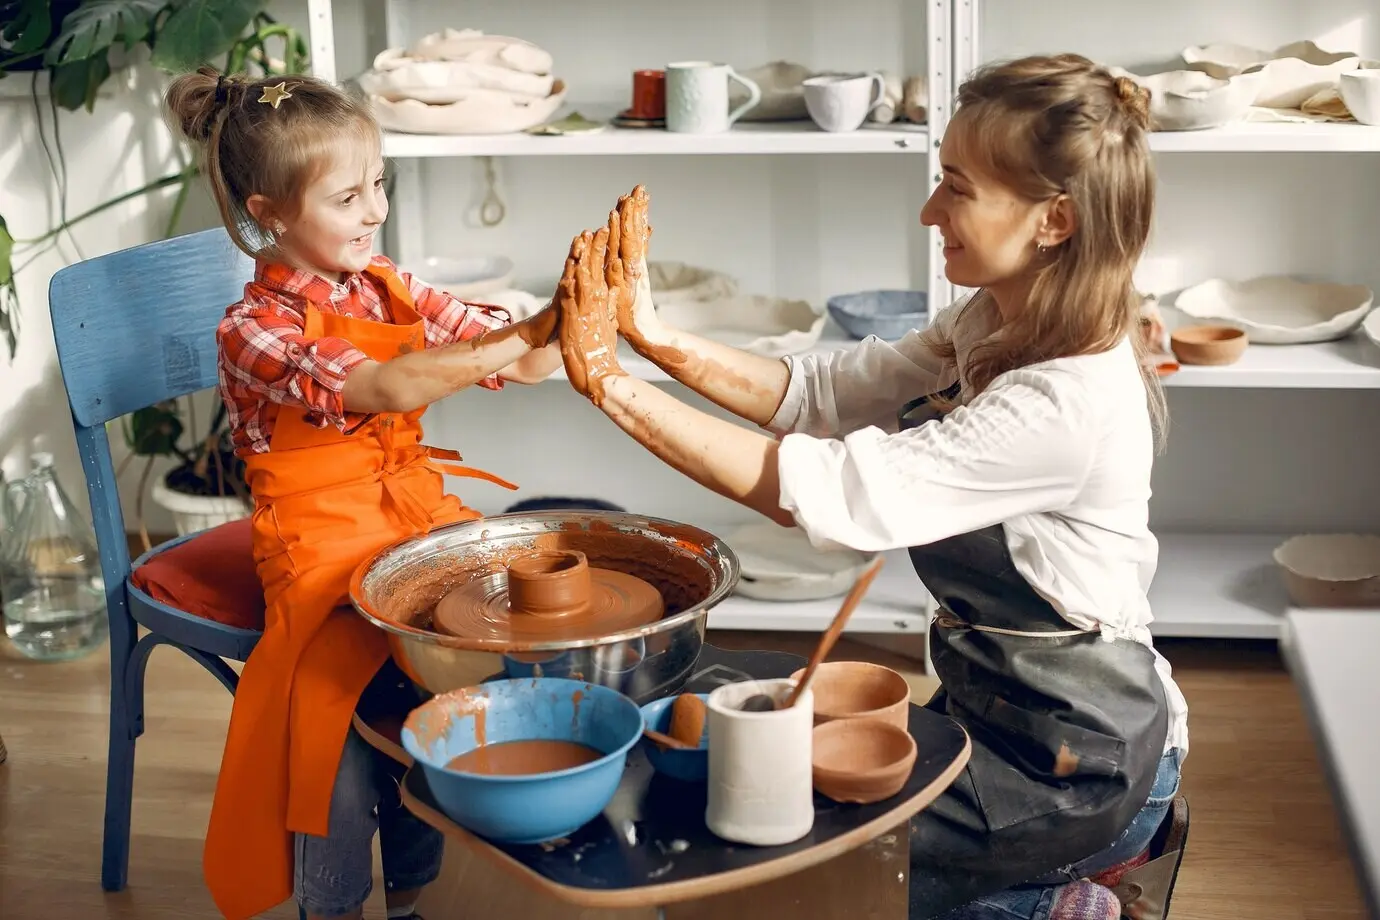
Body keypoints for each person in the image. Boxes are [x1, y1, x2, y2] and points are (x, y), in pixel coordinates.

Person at [554, 54, 1188, 920]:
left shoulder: (1065, 400)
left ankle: (1052, 908)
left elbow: (820, 490)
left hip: (1080, 767)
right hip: (1003, 714)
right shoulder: (1001, 315)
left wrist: (610, 385)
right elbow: (825, 395)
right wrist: (650, 336)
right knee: (766, 800)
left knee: (808, 873)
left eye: (957, 190)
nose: (930, 213)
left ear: (1055, 220)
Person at [164, 67, 563, 920]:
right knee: (339, 713)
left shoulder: (381, 277)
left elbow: (512, 355)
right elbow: (385, 387)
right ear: (267, 210)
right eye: (348, 198)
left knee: (455, 668)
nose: (375, 211)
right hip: (315, 545)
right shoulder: (252, 329)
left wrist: (569, 321)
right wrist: (518, 338)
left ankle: (414, 889)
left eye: (377, 184)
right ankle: (332, 901)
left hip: (406, 510)